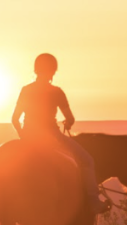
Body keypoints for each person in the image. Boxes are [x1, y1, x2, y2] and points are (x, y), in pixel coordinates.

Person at [12, 53, 109, 215]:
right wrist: (67, 123)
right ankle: (93, 201)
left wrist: (23, 136)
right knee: (87, 160)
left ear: (36, 70)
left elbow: (15, 119)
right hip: (51, 136)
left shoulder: (26, 90)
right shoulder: (56, 92)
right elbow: (70, 118)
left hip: (28, 136)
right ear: (53, 71)